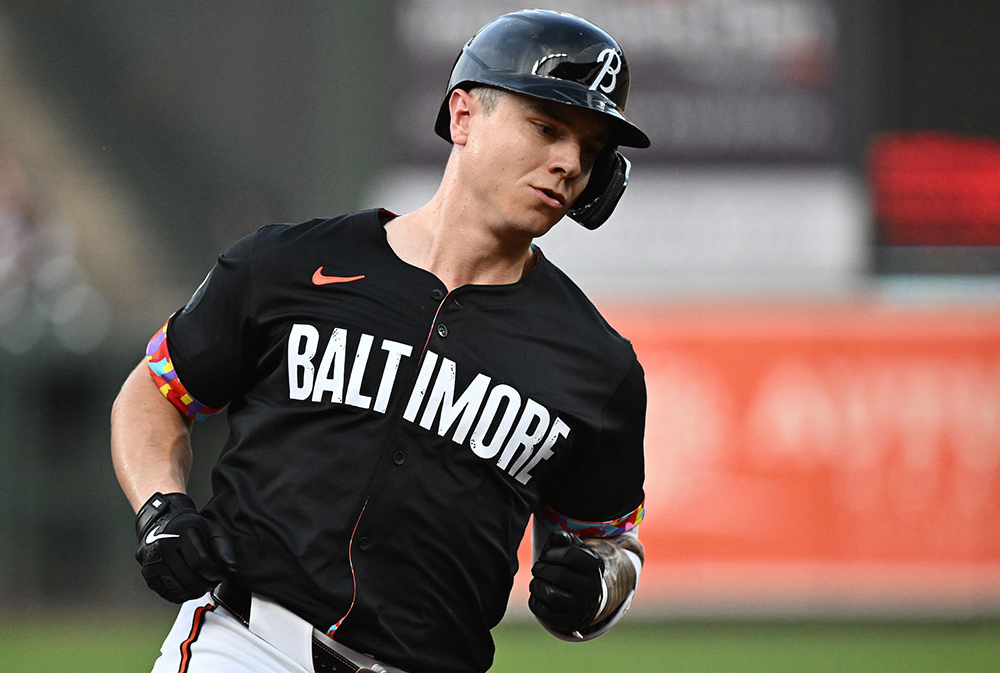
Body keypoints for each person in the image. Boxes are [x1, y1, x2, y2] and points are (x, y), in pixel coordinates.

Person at [110, 9, 649, 673]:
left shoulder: (597, 365)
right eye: (547, 127)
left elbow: (609, 542)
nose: (568, 161)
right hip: (247, 643)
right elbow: (156, 389)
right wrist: (160, 508)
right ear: (462, 116)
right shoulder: (287, 265)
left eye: (591, 150)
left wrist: (597, 586)